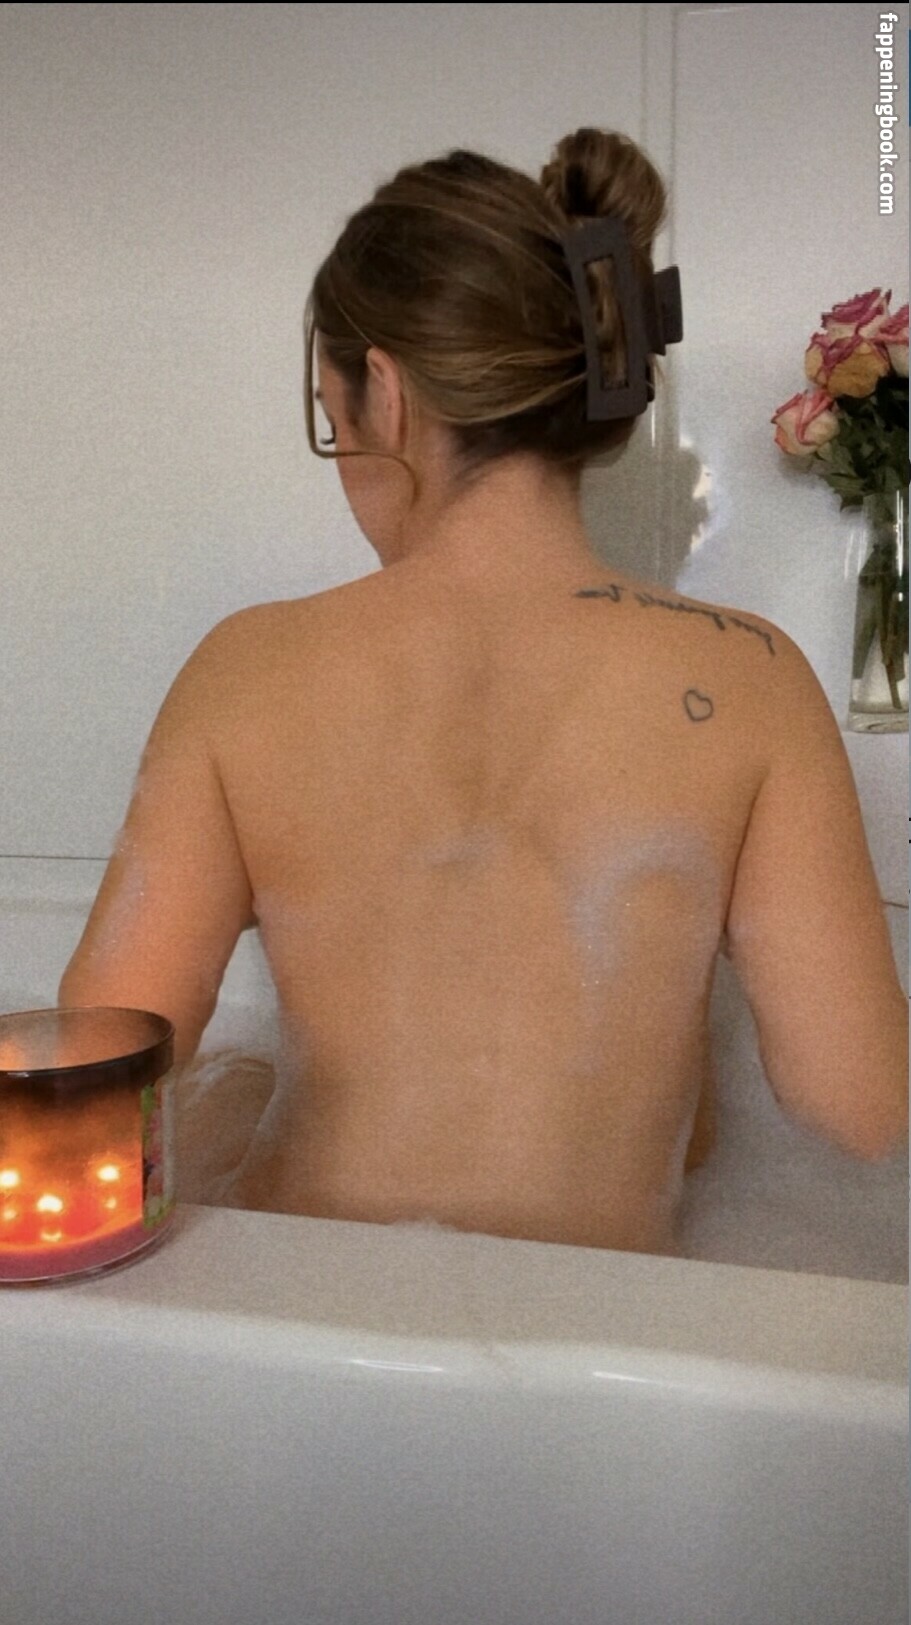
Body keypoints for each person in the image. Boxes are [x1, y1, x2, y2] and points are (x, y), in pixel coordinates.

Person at [58, 129, 908, 1255]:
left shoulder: (244, 671)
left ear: (385, 394)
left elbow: (92, 1073)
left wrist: (237, 1098)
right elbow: (861, 1110)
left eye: (331, 414)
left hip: (297, 1317)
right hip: (611, 1332)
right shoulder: (750, 680)